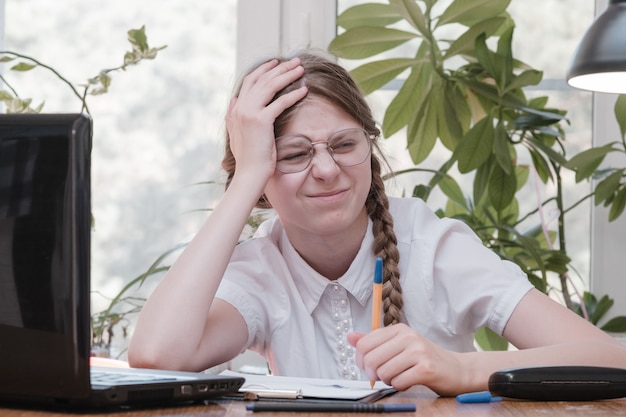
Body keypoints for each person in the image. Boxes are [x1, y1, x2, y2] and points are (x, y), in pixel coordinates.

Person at [128, 50, 626, 396]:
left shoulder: (431, 245)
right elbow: (156, 355)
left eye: (344, 145)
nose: (326, 169)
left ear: (371, 152)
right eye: (294, 155)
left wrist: (462, 367)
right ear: (258, 181)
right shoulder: (260, 270)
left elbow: (607, 358)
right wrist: (248, 173)